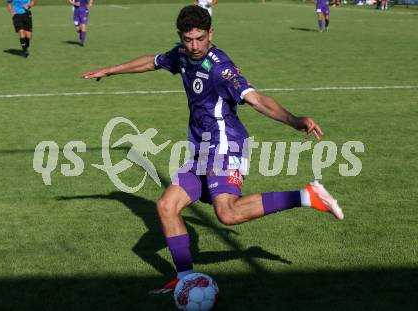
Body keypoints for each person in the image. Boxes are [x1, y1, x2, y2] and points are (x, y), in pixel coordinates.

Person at [83, 5, 344, 294]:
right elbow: (152, 62)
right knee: (167, 206)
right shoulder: (182, 55)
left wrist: (295, 121)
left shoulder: (222, 68)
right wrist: (110, 70)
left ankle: (307, 195)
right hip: (201, 149)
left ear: (211, 34)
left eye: (200, 38)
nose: (194, 46)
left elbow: (257, 100)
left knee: (228, 214)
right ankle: (184, 279)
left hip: (226, 145)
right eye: (188, 39)